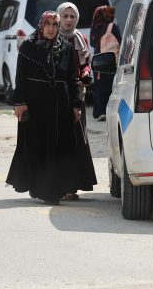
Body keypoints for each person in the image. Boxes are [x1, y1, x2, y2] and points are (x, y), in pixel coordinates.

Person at [6, 11, 96, 205]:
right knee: (37, 146)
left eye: (54, 25)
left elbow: (72, 78)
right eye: (47, 24)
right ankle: (39, 186)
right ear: (41, 25)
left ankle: (52, 190)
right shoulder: (28, 47)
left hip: (60, 105)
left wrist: (75, 104)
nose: (51, 28)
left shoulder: (64, 47)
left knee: (57, 148)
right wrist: (20, 103)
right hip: (35, 105)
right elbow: (20, 77)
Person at [89, 5, 122, 121]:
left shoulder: (95, 27)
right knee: (110, 86)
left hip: (98, 59)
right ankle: (109, 111)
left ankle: (99, 112)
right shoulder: (113, 26)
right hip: (110, 59)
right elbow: (120, 41)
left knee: (98, 87)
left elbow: (92, 43)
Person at [56, 2, 92, 87]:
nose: (69, 20)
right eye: (65, 16)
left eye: (72, 16)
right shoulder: (52, 37)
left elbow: (85, 64)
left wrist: (86, 72)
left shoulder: (81, 39)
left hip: (77, 87)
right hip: (55, 88)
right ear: (58, 18)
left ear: (77, 18)